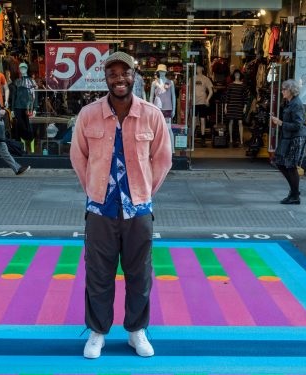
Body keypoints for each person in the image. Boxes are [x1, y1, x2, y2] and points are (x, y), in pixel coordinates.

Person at [70, 51, 172, 359]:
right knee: (98, 273)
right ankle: (98, 332)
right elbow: (79, 157)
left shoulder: (152, 114)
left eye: (125, 73)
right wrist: (93, 190)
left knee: (139, 273)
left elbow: (163, 159)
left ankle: (136, 331)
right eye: (113, 73)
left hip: (139, 210)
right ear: (105, 78)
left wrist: (142, 192)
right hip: (100, 209)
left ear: (134, 76)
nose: (119, 78)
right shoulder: (88, 114)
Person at [270, 79, 306, 205]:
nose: (282, 92)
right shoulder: (290, 103)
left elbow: (298, 125)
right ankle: (294, 192)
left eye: (284, 89)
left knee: (291, 166)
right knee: (280, 162)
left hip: (295, 138)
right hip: (288, 138)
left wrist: (280, 123)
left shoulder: (296, 104)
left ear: (290, 91)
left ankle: (295, 195)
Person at [11, 61, 37, 153]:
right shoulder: (17, 81)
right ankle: (24, 144)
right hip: (18, 107)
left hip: (28, 107)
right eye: (21, 68)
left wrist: (35, 108)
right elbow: (14, 95)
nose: (22, 69)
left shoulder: (31, 81)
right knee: (20, 126)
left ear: (27, 69)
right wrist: (12, 109)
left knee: (28, 126)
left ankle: (31, 141)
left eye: (24, 68)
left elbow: (35, 94)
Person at [224, 70, 248, 147]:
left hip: (239, 106)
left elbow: (245, 97)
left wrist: (245, 106)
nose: (237, 75)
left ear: (240, 75)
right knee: (231, 122)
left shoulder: (243, 85)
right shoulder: (230, 85)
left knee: (240, 122)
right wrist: (225, 106)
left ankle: (241, 140)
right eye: (235, 74)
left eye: (238, 74)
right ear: (234, 75)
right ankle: (231, 139)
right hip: (231, 105)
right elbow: (227, 96)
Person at [192, 65, 213, 146]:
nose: (198, 69)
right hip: (194, 102)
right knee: (193, 120)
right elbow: (188, 89)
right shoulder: (192, 78)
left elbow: (211, 91)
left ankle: (203, 138)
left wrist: (207, 99)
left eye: (199, 68)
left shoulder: (205, 79)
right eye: (197, 68)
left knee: (202, 120)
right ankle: (192, 138)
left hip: (202, 102)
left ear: (202, 69)